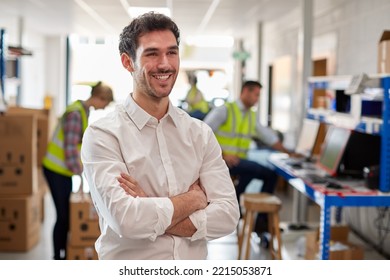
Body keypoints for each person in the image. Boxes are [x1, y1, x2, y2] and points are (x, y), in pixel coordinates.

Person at [80, 12, 239, 260]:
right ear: (127, 62)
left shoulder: (199, 134)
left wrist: (149, 204)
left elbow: (228, 216)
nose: (165, 64)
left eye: (172, 52)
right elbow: (126, 220)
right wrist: (192, 199)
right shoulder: (103, 135)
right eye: (152, 53)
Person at [203, 80, 291, 238]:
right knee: (268, 174)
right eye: (256, 94)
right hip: (219, 161)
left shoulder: (251, 115)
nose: (257, 98)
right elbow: (202, 134)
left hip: (237, 162)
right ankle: (258, 222)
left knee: (253, 171)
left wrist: (289, 153)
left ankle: (234, 209)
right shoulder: (225, 110)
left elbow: (268, 136)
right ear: (245, 92)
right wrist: (223, 154)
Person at [42, 81, 113, 260]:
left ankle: (65, 253)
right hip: (55, 169)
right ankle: (57, 257)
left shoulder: (84, 111)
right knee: (63, 216)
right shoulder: (76, 113)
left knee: (66, 214)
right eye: (106, 103)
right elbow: (70, 148)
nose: (104, 107)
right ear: (100, 98)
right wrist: (81, 176)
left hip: (62, 170)